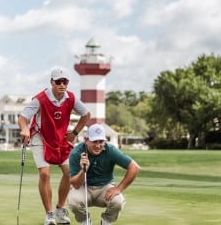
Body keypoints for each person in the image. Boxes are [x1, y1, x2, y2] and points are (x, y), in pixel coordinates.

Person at [18, 66, 91, 225]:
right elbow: (23, 118)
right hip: (40, 138)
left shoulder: (71, 98)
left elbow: (86, 115)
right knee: (45, 174)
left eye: (65, 81)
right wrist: (25, 129)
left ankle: (60, 209)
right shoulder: (40, 99)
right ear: (52, 82)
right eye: (58, 81)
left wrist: (75, 133)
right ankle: (49, 214)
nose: (62, 85)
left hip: (60, 140)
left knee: (69, 172)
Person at [68, 124, 141, 225]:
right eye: (94, 141)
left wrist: (118, 189)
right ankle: (85, 221)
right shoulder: (76, 153)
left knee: (118, 202)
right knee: (74, 202)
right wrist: (83, 170)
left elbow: (135, 168)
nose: (98, 145)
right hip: (83, 187)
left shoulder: (110, 150)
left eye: (101, 141)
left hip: (104, 188)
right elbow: (75, 184)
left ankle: (106, 221)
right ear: (86, 140)